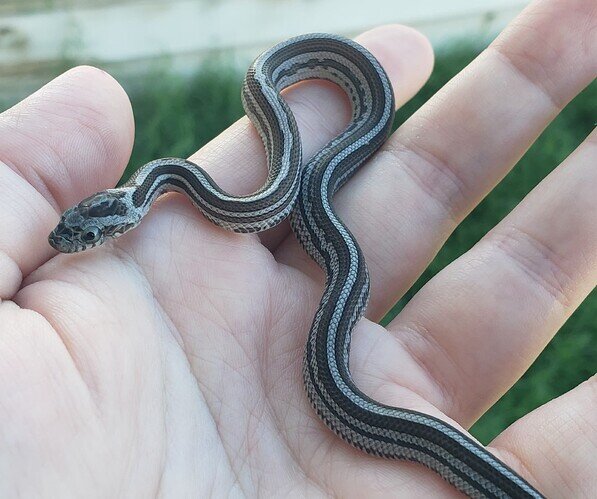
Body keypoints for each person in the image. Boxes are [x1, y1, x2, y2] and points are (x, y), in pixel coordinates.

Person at [0, 0, 594, 496]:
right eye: (81, 232)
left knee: (331, 238)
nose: (75, 239)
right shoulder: (177, 186)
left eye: (83, 231)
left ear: (117, 215)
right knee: (329, 238)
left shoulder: (188, 177)